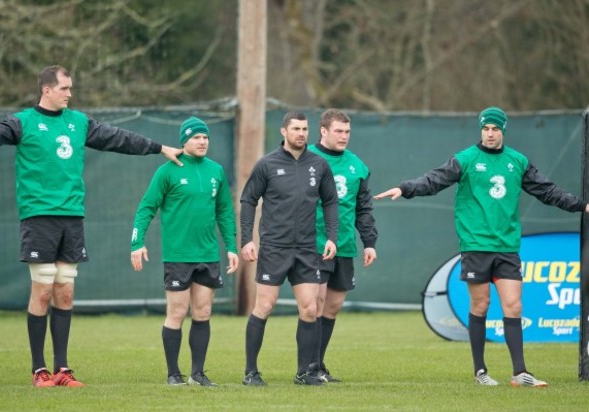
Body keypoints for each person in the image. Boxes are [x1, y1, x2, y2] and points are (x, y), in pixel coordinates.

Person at [0, 65, 183, 388]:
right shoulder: (23, 122)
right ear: (47, 90)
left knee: (65, 290)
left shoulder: (78, 123)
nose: (70, 93)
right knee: (42, 289)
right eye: (65, 88)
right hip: (39, 215)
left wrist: (159, 148)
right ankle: (39, 370)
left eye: (71, 88)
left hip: (72, 216)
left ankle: (62, 370)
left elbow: (117, 138)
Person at [374, 106, 589, 387]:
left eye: (495, 129)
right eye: (485, 129)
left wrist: (581, 205)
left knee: (513, 305)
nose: (489, 134)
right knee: (481, 303)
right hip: (476, 245)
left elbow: (548, 191)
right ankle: (481, 371)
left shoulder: (518, 162)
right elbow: (434, 179)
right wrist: (405, 188)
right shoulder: (465, 159)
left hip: (507, 245)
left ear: (503, 130)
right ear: (481, 130)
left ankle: (520, 373)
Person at [130, 116, 239, 387]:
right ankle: (173, 374)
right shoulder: (167, 171)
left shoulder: (216, 171)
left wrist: (232, 247)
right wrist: (137, 242)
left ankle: (198, 373)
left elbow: (225, 212)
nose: (202, 142)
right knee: (177, 313)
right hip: (178, 255)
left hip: (208, 255)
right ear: (184, 141)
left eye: (205, 137)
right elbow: (146, 207)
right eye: (196, 138)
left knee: (202, 313)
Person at [240, 111, 339, 386]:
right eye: (296, 128)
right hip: (274, 248)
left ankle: (303, 373)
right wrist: (247, 239)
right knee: (265, 306)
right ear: (284, 131)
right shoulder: (267, 165)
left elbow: (330, 201)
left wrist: (332, 236)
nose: (301, 133)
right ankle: (251, 372)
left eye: (305, 129)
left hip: (307, 249)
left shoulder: (318, 165)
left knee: (309, 309)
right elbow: (248, 200)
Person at [307, 109, 378, 383]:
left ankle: (319, 364)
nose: (344, 136)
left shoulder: (357, 166)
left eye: (347, 132)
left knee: (332, 306)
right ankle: (309, 367)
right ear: (323, 131)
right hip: (315, 244)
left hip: (346, 245)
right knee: (316, 303)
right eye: (338, 131)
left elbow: (363, 208)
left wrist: (369, 242)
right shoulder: (307, 159)